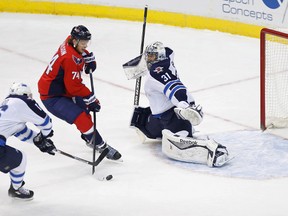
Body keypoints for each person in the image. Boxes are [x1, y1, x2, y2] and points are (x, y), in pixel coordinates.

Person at [123, 41, 230, 167]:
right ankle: (170, 125)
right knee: (142, 123)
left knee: (175, 145)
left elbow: (175, 87)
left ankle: (213, 150)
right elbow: (167, 51)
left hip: (174, 117)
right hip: (157, 119)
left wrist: (185, 105)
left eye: (152, 56)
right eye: (148, 56)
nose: (149, 59)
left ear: (159, 57)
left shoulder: (158, 73)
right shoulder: (167, 55)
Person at [38, 25, 121, 160]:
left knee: (86, 110)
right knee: (81, 117)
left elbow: (77, 56)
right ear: (75, 40)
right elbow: (74, 87)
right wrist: (90, 97)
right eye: (83, 43)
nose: (85, 46)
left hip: (61, 89)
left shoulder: (69, 42)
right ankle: (101, 146)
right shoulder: (70, 58)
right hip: (52, 96)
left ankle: (90, 139)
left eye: (86, 43)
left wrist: (86, 57)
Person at [0, 82, 56, 200]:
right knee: (20, 159)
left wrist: (39, 142)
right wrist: (44, 137)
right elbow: (46, 123)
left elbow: (22, 133)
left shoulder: (8, 106)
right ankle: (16, 190)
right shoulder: (23, 101)